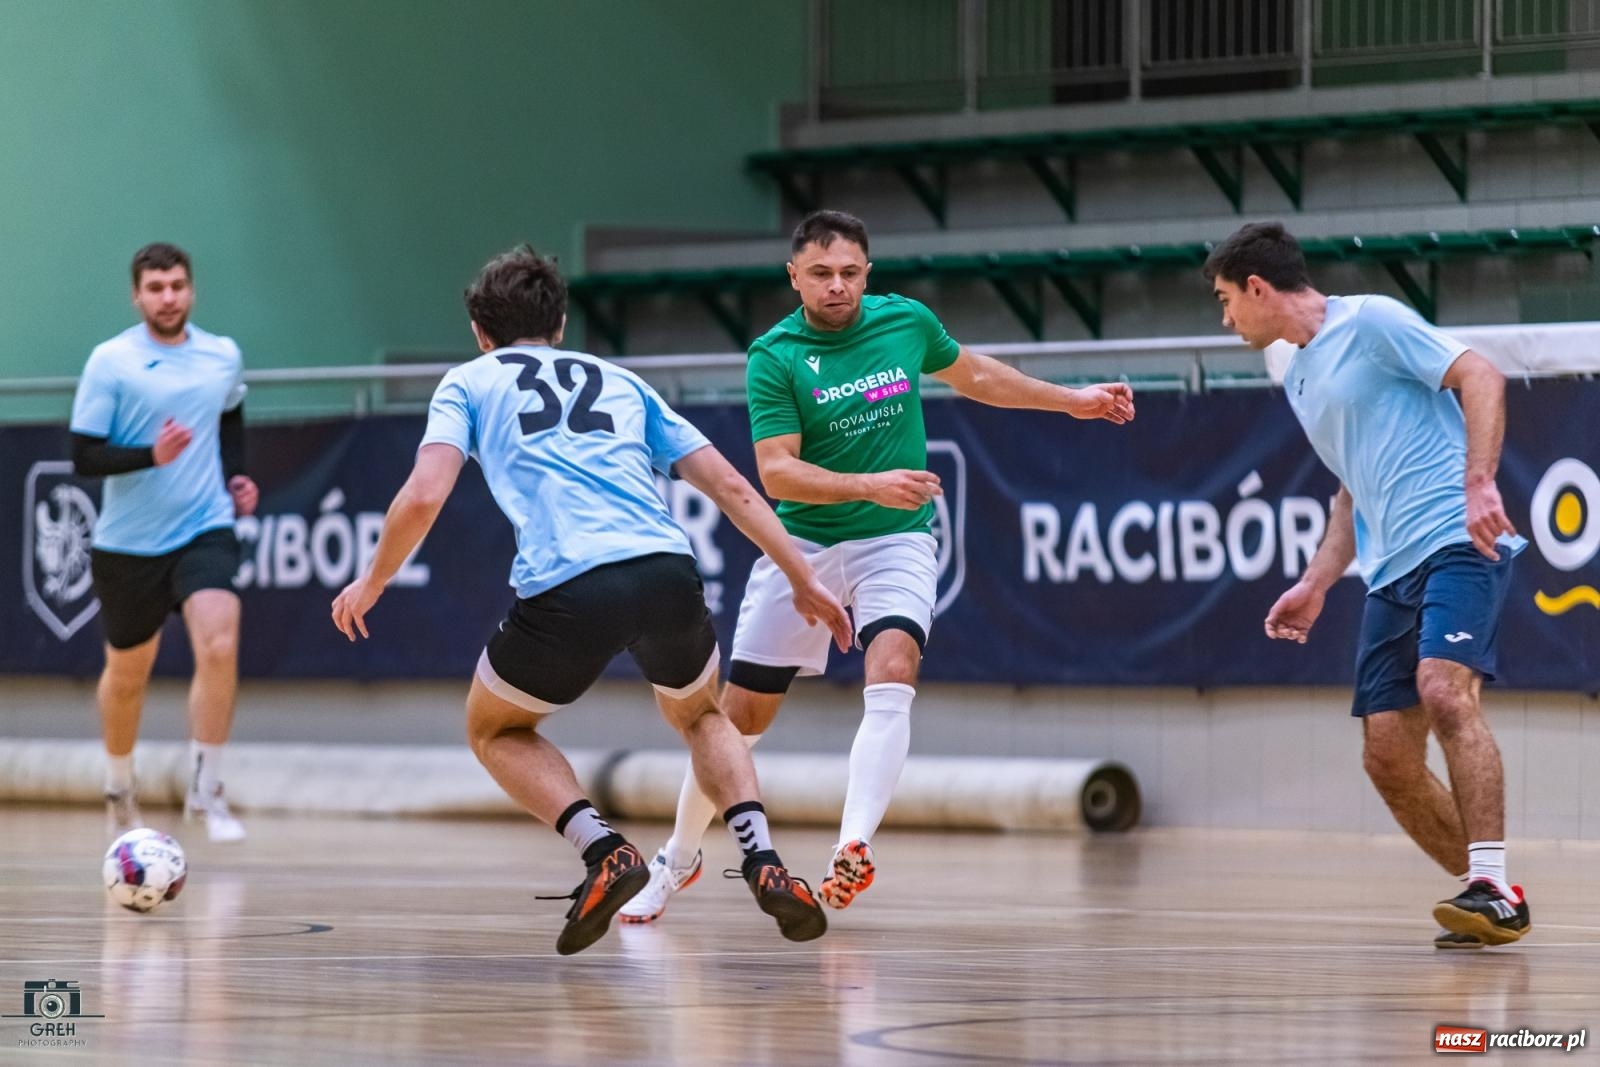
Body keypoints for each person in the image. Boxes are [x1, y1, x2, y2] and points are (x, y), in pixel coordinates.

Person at [331, 244, 853, 956]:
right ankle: (762, 860)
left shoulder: (469, 380)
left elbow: (425, 492)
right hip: (667, 571)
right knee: (702, 714)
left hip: (570, 586)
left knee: (494, 729)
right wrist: (802, 576)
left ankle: (602, 847)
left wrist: (373, 579)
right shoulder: (620, 380)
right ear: (562, 322)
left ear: (482, 331)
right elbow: (731, 487)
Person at [621, 209, 1137, 924]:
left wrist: (1071, 401)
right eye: (823, 273)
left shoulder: (904, 322)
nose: (839, 286)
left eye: (852, 273)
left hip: (896, 540)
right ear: (794, 275)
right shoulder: (774, 355)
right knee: (734, 723)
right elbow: (777, 473)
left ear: (869, 272)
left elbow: (977, 375)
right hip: (801, 548)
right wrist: (868, 483)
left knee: (893, 673)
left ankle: (851, 846)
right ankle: (678, 858)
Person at [1205, 221, 1531, 948]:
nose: (1226, 318)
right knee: (1386, 755)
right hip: (1388, 573)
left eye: (1227, 300)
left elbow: (1481, 374)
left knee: (1445, 688)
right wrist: (1319, 580)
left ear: (1259, 288)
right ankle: (1492, 890)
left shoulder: (1373, 320)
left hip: (1458, 537)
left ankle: (1489, 881)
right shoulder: (1297, 376)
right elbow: (1351, 487)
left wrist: (1478, 480)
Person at [70, 242, 257, 843]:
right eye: (156, 288)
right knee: (128, 674)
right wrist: (153, 455)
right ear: (137, 295)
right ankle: (120, 787)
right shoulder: (111, 362)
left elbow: (229, 414)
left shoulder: (221, 355)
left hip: (205, 525)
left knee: (220, 641)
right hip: (128, 543)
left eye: (177, 285)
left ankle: (207, 792)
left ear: (192, 289)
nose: (168, 297)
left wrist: (235, 476)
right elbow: (84, 456)